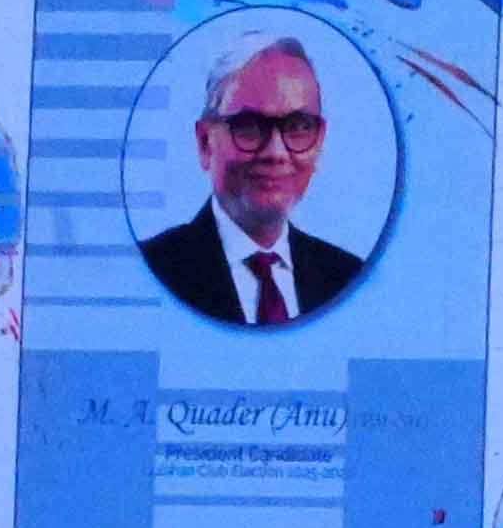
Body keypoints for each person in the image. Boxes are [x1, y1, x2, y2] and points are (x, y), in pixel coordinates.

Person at [139, 38, 367, 328]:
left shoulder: (347, 278)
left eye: (299, 127)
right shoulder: (150, 271)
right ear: (205, 142)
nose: (276, 153)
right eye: (248, 126)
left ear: (319, 141)